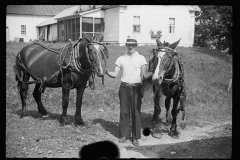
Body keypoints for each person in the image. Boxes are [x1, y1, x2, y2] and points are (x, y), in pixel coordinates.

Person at [104, 36, 153, 146]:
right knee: (124, 112)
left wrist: (155, 72)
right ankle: (123, 135)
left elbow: (145, 75)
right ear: (126, 45)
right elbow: (115, 74)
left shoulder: (141, 58)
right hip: (124, 88)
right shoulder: (121, 58)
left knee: (135, 112)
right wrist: (106, 71)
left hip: (137, 88)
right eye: (128, 45)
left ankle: (135, 137)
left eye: (132, 45)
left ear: (135, 46)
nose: (130, 46)